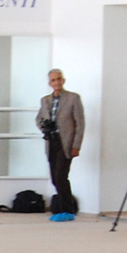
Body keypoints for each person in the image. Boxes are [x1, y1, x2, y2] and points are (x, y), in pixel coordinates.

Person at [36, 69, 84, 220]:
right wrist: (44, 126)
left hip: (66, 143)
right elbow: (39, 118)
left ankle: (68, 210)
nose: (56, 82)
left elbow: (80, 124)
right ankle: (65, 208)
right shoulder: (45, 100)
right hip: (51, 141)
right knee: (54, 178)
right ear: (50, 83)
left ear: (63, 80)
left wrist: (76, 145)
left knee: (61, 175)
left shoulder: (73, 98)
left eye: (59, 79)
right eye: (53, 80)